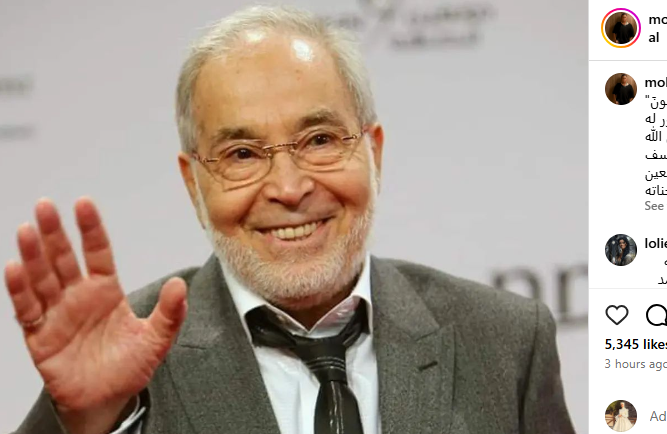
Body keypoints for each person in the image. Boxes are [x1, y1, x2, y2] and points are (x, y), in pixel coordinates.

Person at [5, 5, 575, 434]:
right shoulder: (125, 362)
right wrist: (86, 425)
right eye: (242, 154)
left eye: (320, 140)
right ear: (193, 184)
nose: (289, 187)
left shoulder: (505, 341)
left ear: (374, 153)